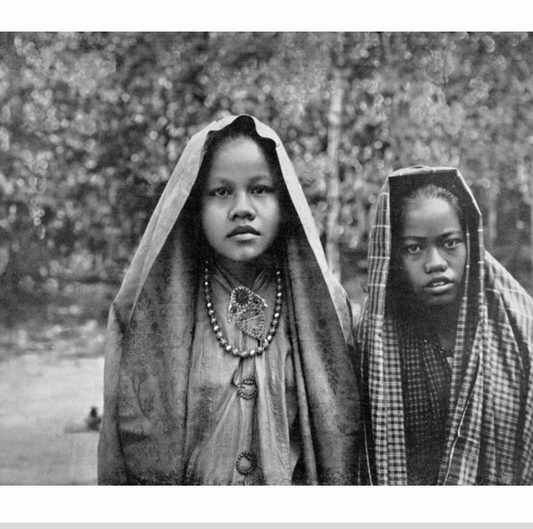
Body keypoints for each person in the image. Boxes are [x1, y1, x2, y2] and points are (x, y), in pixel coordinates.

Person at [98, 114, 364, 485]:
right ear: (195, 206)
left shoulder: (322, 306)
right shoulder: (152, 310)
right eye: (221, 192)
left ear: (284, 201)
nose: (242, 208)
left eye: (260, 189)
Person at [357, 166, 533, 485]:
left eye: (449, 243)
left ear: (471, 244)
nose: (435, 262)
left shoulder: (522, 329)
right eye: (414, 248)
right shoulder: (376, 338)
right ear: (393, 257)